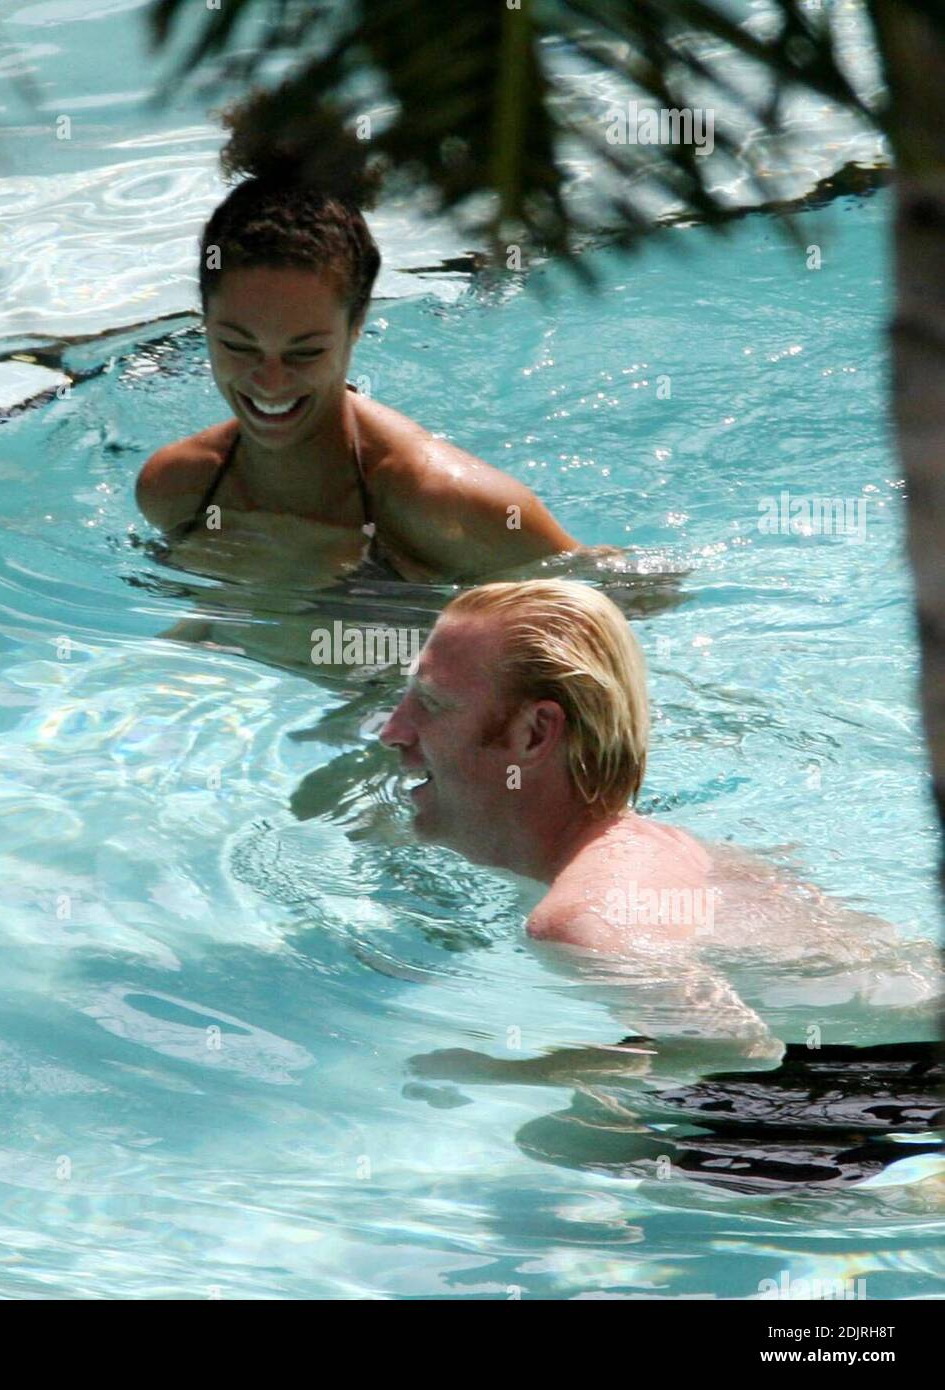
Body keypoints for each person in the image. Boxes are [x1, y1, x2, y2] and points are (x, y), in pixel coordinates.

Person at [379, 579, 941, 1082]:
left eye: (431, 702)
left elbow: (737, 1047)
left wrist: (503, 1073)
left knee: (569, 1145)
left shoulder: (580, 919)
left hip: (906, 1063)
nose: (393, 730)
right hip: (889, 1041)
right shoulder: (654, 846)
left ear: (533, 734)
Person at [136, 93, 594, 590]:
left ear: (357, 325)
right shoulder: (177, 490)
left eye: (305, 351)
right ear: (204, 321)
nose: (269, 381)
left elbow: (621, 602)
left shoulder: (447, 505)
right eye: (238, 346)